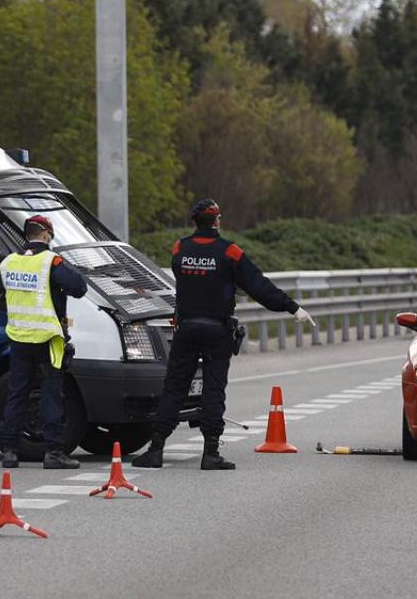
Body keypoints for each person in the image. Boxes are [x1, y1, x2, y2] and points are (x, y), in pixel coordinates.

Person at [132, 199, 315, 470]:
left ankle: (156, 449)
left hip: (186, 328)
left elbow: (186, 279)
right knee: (214, 388)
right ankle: (211, 453)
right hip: (217, 330)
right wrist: (292, 307)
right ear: (216, 220)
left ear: (194, 221)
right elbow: (258, 285)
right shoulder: (230, 252)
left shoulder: (180, 248)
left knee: (174, 387)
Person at [0, 214, 88, 470]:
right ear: (47, 235)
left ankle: (10, 451)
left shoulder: (9, 262)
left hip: (18, 336)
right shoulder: (51, 261)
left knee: (17, 393)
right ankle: (54, 452)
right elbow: (79, 287)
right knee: (51, 393)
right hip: (48, 338)